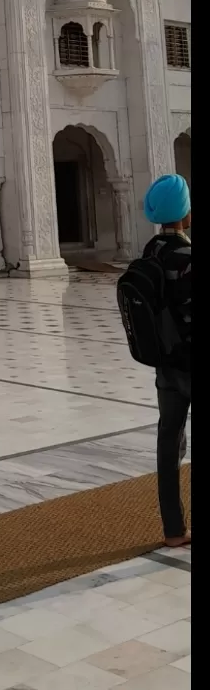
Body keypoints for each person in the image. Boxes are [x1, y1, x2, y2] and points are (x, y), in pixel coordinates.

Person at [143, 174, 191, 547]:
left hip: (167, 367)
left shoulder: (149, 256)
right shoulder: (187, 257)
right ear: (185, 214)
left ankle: (173, 529)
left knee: (168, 440)